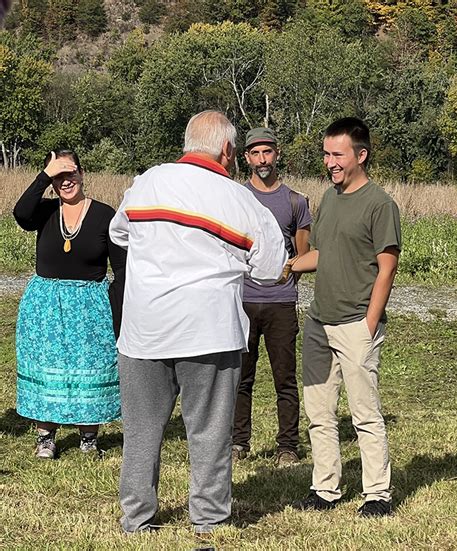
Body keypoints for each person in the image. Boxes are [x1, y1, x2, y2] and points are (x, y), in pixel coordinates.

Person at [109, 110, 287, 535]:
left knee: (140, 432)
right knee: (209, 431)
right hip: (209, 329)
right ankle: (208, 518)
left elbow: (119, 233)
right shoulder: (240, 199)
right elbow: (269, 266)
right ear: (228, 150)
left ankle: (137, 517)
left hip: (145, 330)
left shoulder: (149, 181)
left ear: (187, 142)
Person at [290, 118, 401, 517]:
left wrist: (369, 324)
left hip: (357, 324)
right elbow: (322, 253)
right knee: (319, 412)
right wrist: (289, 266)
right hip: (319, 322)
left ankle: (377, 495)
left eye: (337, 154)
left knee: (365, 414)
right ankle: (325, 488)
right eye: (326, 154)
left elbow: (386, 269)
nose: (329, 162)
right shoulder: (330, 198)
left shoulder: (380, 205)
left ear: (361, 155)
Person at [14, 149, 125, 459]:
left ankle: (89, 438)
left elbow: (123, 269)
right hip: (46, 304)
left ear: (82, 173)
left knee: (88, 367)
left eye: (70, 172)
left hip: (90, 305)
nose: (66, 181)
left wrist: (115, 310)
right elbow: (21, 214)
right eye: (59, 176)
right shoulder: (45, 212)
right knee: (48, 367)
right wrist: (45, 175)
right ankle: (46, 438)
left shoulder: (105, 215)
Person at [232, 127, 311, 466]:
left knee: (285, 378)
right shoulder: (235, 197)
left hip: (281, 303)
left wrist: (285, 271)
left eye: (267, 152)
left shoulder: (296, 201)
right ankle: (238, 443)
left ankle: (288, 447)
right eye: (255, 153)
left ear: (277, 154)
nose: (262, 159)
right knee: (239, 377)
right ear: (246, 158)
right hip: (242, 300)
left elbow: (303, 256)